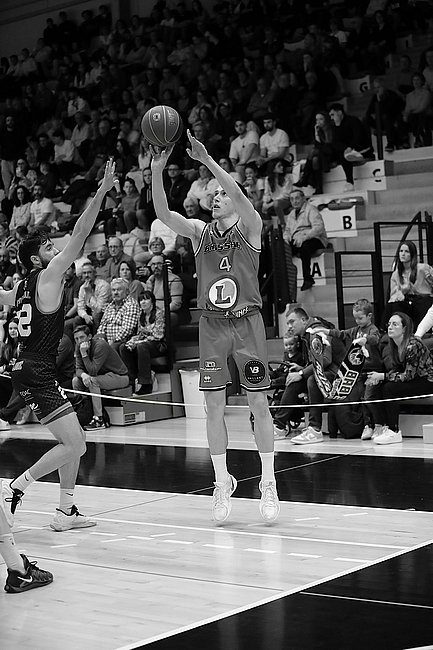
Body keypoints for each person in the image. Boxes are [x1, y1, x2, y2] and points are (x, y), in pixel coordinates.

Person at [151, 130, 280, 524]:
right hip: (212, 326)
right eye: (214, 195)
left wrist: (207, 161)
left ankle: (269, 481)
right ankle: (222, 481)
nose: (217, 198)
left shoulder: (251, 226)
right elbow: (163, 215)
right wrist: (156, 171)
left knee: (259, 404)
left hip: (248, 323)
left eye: (222, 194)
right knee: (213, 407)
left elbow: (239, 195)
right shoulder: (200, 232)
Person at [0, 159, 116, 565]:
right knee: (76, 443)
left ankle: (66, 510)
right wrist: (101, 191)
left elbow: (3, 298)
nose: (56, 250)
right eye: (49, 248)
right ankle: (15, 488)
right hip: (37, 369)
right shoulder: (47, 276)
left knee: (73, 441)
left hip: (27, 367)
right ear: (37, 260)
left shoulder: (19, 287)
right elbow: (81, 232)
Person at [272, 307, 346, 443]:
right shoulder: (306, 334)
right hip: (325, 371)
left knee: (313, 379)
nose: (289, 326)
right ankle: (279, 426)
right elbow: (316, 362)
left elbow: (325, 360)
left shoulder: (316, 331)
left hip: (339, 374)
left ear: (303, 320)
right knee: (293, 380)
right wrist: (301, 370)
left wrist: (302, 373)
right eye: (288, 323)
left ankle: (315, 429)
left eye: (292, 322)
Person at [367, 312, 433, 444]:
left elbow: (408, 375)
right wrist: (378, 378)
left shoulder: (413, 345)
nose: (390, 327)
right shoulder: (394, 345)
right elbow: (397, 369)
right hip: (415, 379)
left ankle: (394, 431)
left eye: (395, 324)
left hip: (428, 380)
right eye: (389, 324)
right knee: (378, 386)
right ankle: (381, 425)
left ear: (404, 328)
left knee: (390, 388)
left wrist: (383, 376)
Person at [72, 324, 129, 430]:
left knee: (93, 381)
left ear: (89, 337)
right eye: (76, 339)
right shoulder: (78, 347)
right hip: (102, 376)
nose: (79, 341)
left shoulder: (100, 345)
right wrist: (83, 375)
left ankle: (99, 419)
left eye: (82, 337)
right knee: (76, 380)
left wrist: (84, 354)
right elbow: (78, 369)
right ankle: (83, 412)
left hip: (120, 376)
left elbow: (93, 371)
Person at [119, 290, 166, 394]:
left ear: (152, 301)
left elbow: (158, 335)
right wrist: (132, 341)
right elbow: (140, 334)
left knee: (142, 347)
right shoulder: (141, 315)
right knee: (124, 347)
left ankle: (146, 384)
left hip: (158, 344)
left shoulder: (159, 313)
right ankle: (131, 380)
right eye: (141, 300)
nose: (143, 302)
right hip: (144, 343)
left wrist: (139, 343)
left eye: (146, 299)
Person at [283, 189, 328, 291]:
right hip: (297, 239)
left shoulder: (311, 209)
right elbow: (287, 231)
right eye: (292, 199)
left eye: (297, 198)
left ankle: (308, 279)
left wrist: (304, 237)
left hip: (316, 238)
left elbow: (319, 228)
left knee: (305, 247)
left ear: (303, 198)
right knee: (282, 249)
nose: (294, 201)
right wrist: (286, 239)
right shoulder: (291, 214)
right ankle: (285, 282)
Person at [385, 240, 433, 329]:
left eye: (406, 251)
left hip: (423, 299)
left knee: (423, 303)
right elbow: (393, 297)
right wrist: (402, 292)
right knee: (394, 306)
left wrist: (430, 278)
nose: (403, 254)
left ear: (412, 254)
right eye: (401, 251)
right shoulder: (396, 274)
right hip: (407, 301)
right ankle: (387, 329)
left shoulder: (423, 268)